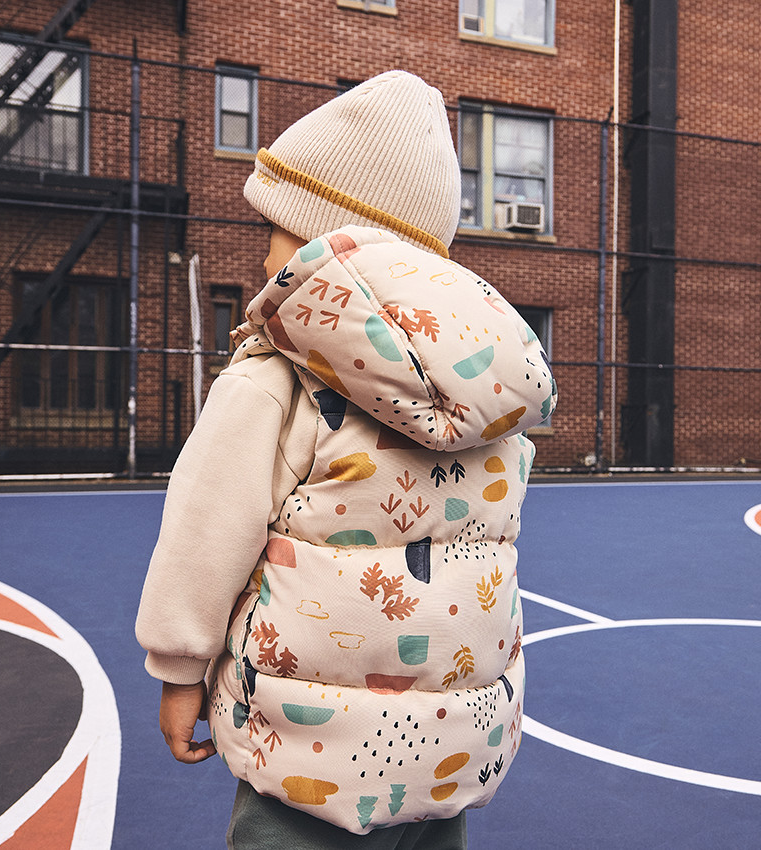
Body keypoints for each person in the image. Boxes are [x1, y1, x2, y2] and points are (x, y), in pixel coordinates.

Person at [136, 70, 557, 849]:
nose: (266, 253)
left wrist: (179, 669)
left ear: (325, 242)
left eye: (277, 229)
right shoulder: (488, 388)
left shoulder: (274, 374)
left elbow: (205, 534)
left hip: (306, 753)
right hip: (450, 746)